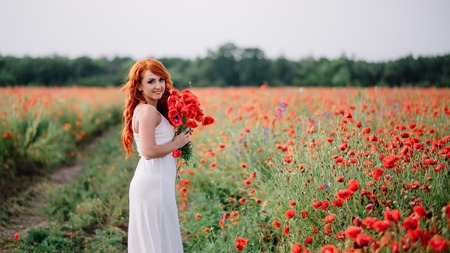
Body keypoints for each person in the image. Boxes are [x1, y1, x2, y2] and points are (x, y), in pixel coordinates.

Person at [121, 59, 190, 253]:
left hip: (155, 182)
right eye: (151, 81)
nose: (158, 86)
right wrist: (176, 143)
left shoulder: (147, 109)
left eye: (161, 79)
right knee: (158, 242)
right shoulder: (149, 111)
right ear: (139, 87)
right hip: (153, 185)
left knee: (155, 241)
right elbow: (149, 151)